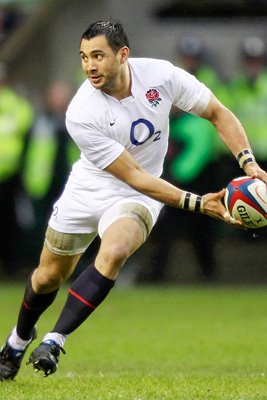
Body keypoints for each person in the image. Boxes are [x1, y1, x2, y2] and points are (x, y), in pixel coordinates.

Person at [0, 20, 266, 381]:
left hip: (138, 195)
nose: (89, 66)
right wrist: (200, 203)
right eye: (83, 57)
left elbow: (218, 113)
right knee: (48, 277)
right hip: (89, 188)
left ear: (123, 55)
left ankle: (54, 339)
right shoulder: (82, 112)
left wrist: (249, 163)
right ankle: (17, 340)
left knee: (115, 250)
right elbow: (135, 174)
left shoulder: (162, 77)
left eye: (98, 56)